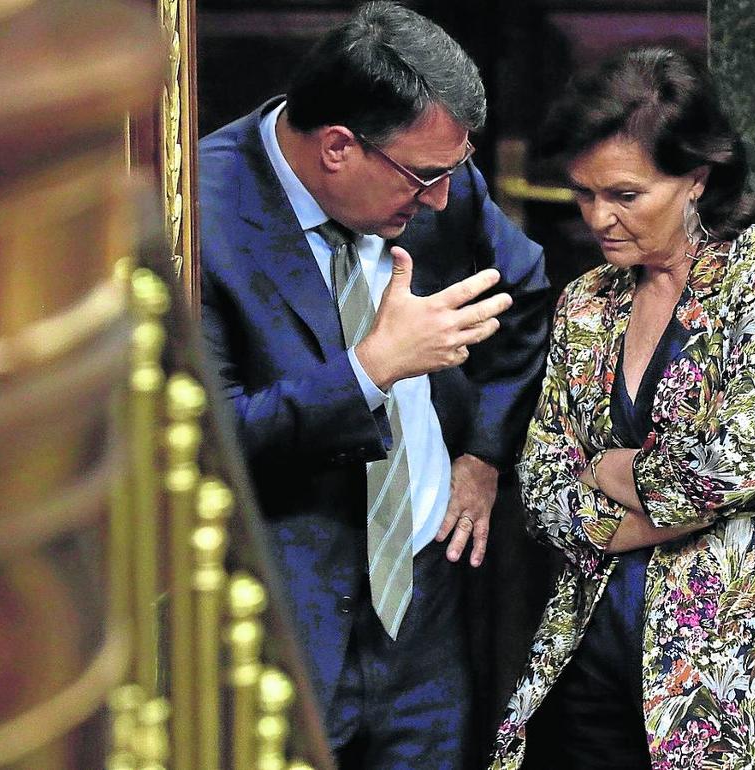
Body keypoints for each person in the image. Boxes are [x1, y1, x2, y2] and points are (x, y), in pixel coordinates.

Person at [490, 47, 755, 769]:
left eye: (625, 195)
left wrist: (604, 468)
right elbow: (541, 489)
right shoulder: (587, 301)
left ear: (696, 178)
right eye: (583, 193)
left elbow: (727, 471)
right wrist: (639, 509)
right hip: (592, 666)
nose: (598, 217)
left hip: (744, 686)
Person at [197, 3, 551, 768]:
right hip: (283, 619)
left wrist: (484, 457)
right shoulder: (198, 218)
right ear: (337, 149)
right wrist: (371, 370)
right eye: (427, 179)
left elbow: (523, 293)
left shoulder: (426, 173)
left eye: (452, 174)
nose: (441, 202)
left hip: (423, 601)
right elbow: (210, 442)